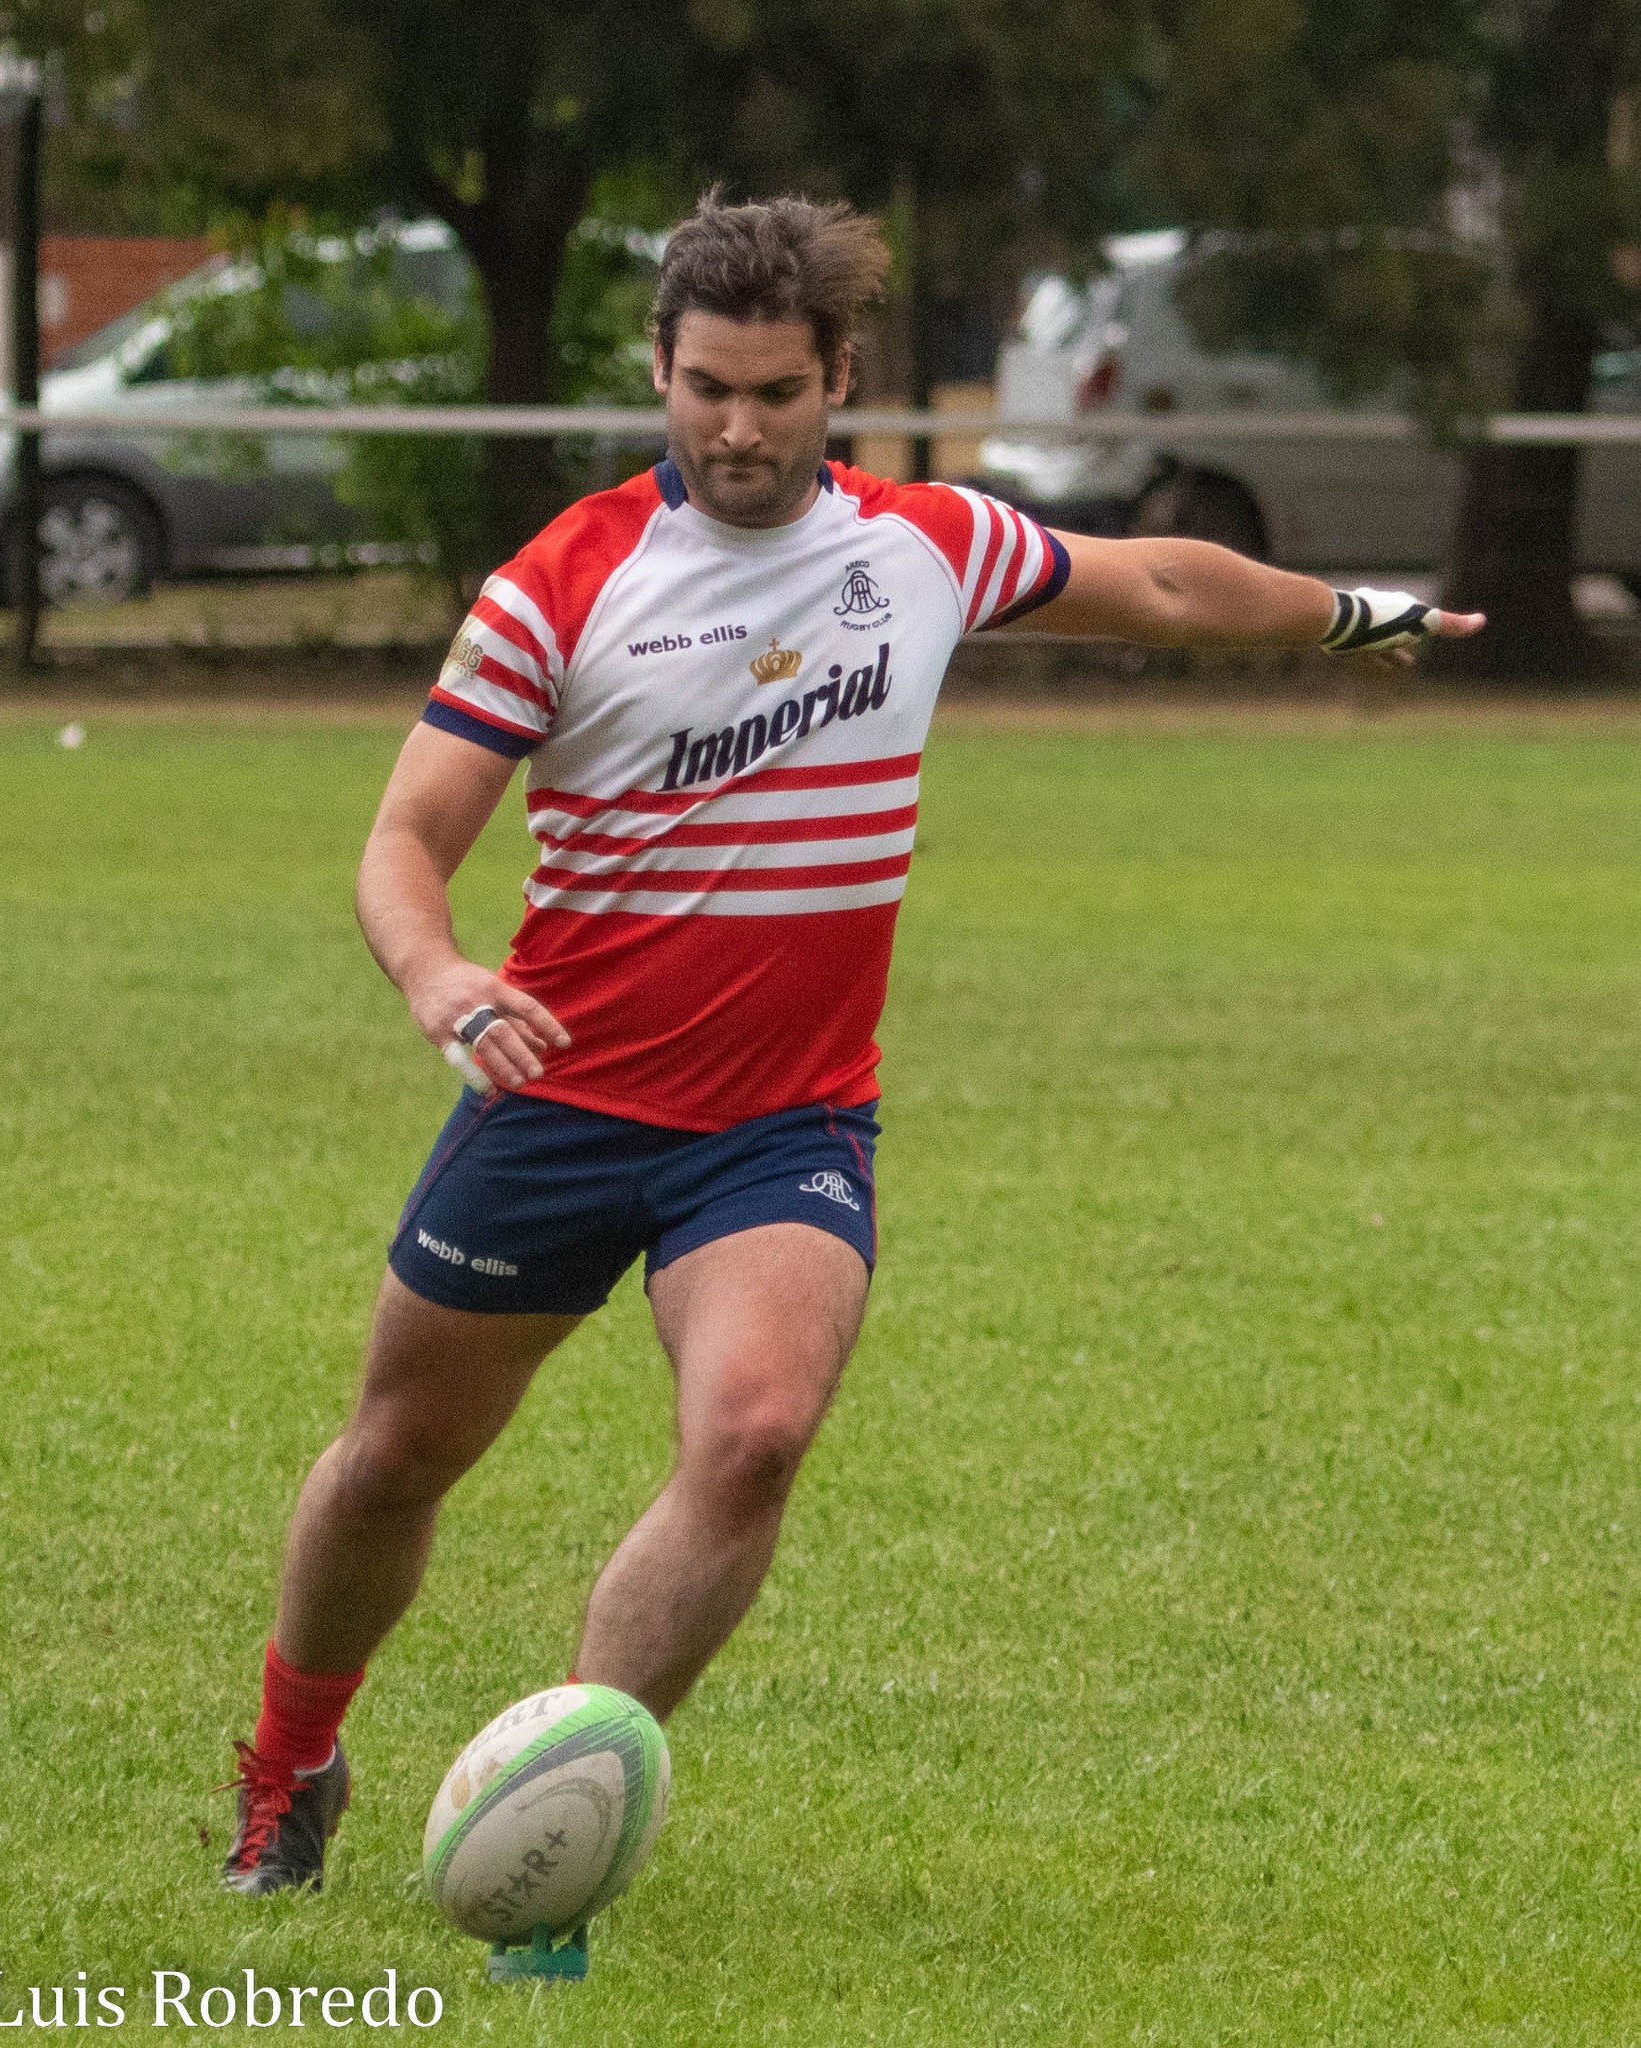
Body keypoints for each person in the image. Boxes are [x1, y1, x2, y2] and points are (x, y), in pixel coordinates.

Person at [221, 191, 1484, 1895]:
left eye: (775, 393)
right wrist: (442, 978)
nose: (737, 429)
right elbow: (402, 840)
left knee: (752, 1431)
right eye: (704, 389)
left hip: (784, 1123)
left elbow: (1171, 584)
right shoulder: (563, 582)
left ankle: (553, 1816)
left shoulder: (923, 546)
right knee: (400, 1456)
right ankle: (289, 1764)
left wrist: (1356, 613)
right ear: (659, 373)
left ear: (840, 382)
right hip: (562, 1096)